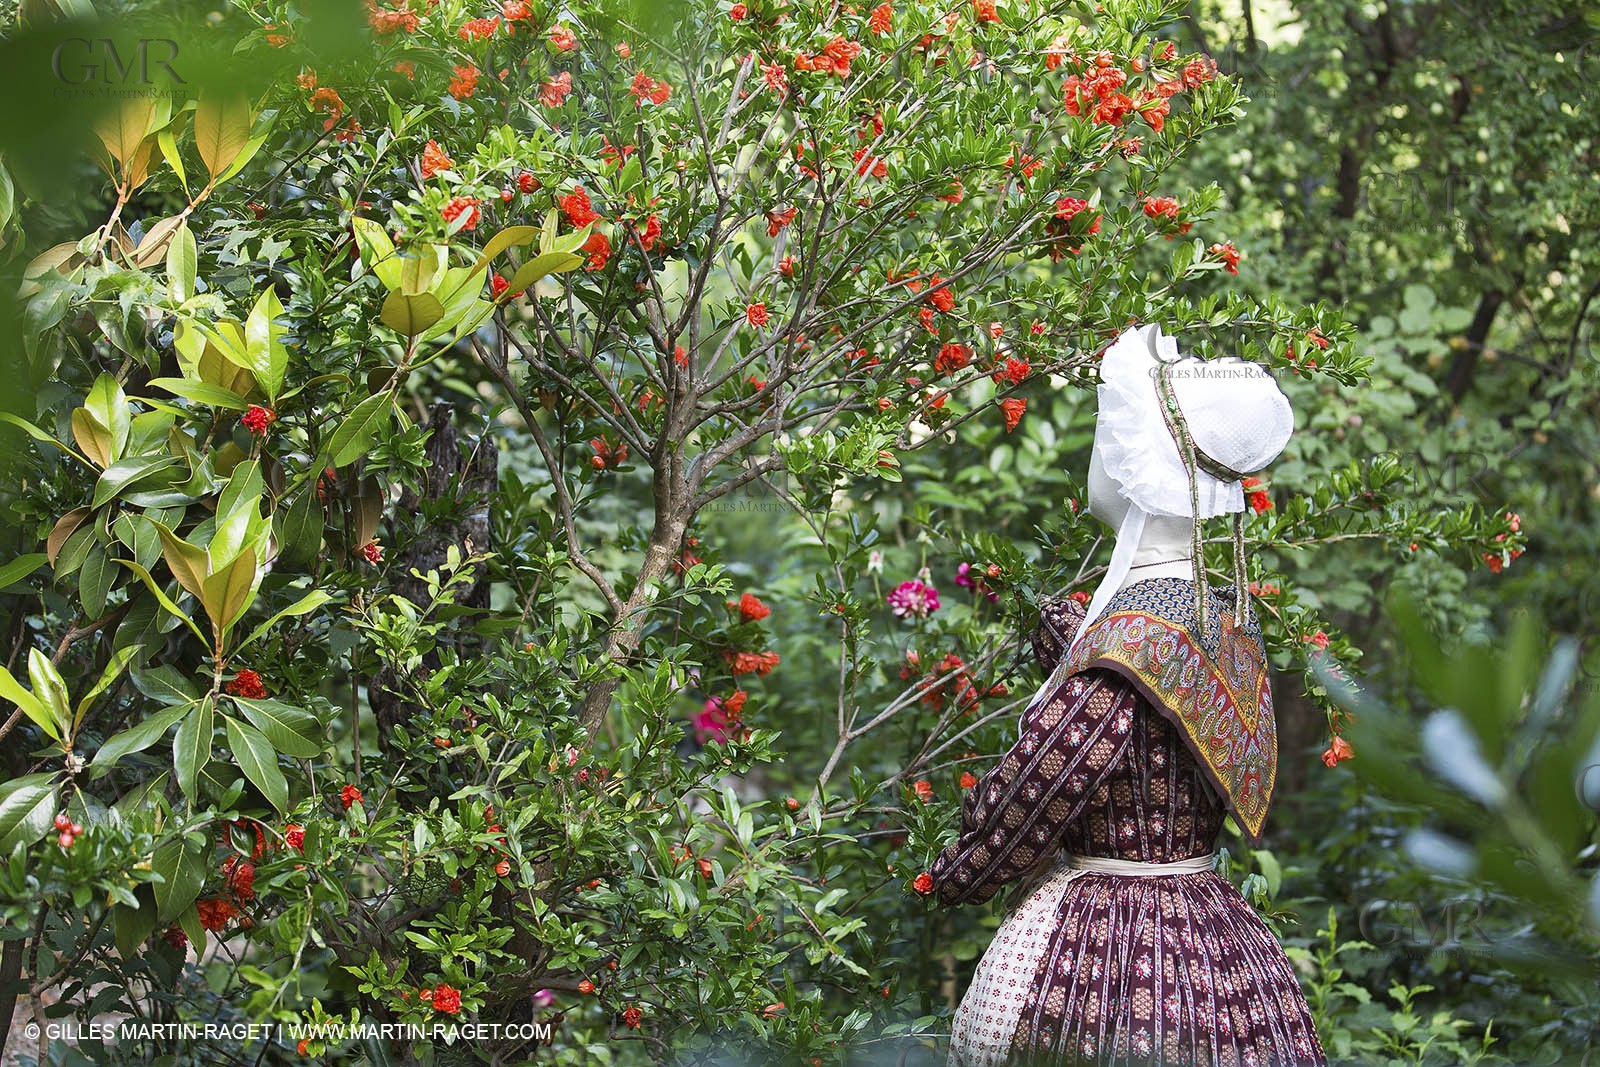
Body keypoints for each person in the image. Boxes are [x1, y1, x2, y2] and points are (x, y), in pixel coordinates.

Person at [929, 323, 1328, 1067]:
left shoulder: (1135, 639)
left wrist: (958, 871)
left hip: (1110, 940)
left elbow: (1045, 781)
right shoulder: (1218, 616)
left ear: (1137, 467)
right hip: (1213, 928)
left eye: (1106, 438)